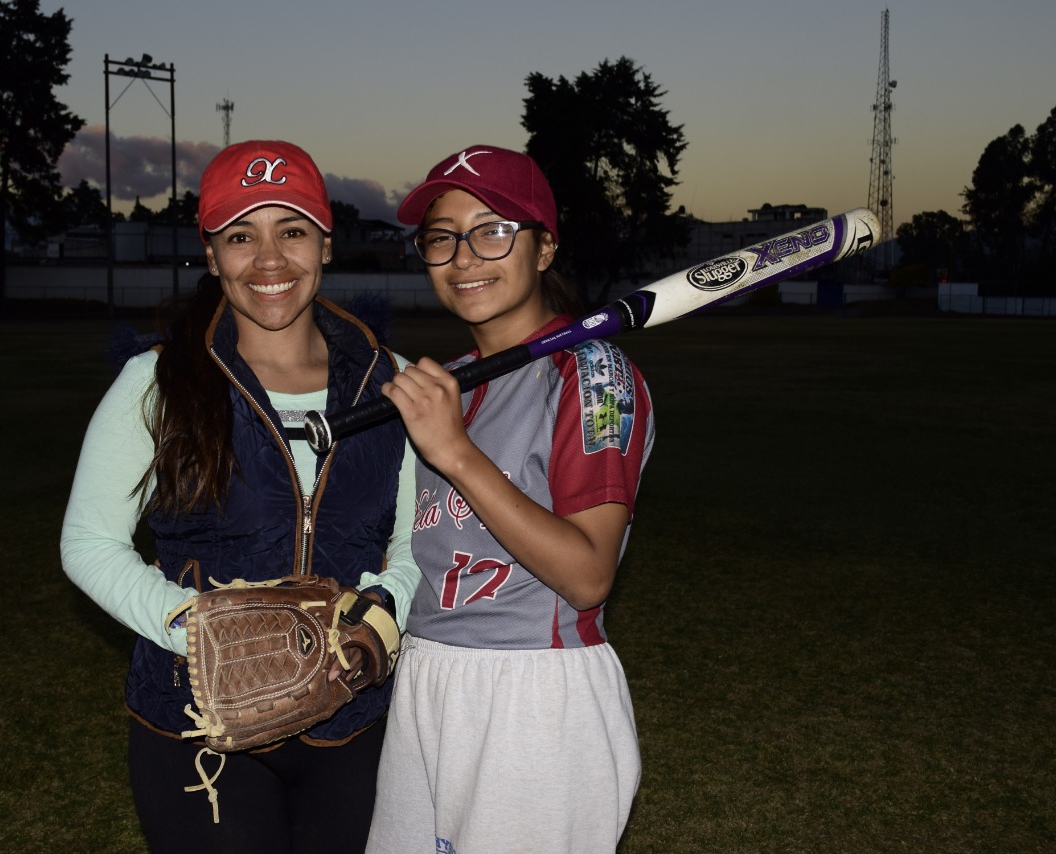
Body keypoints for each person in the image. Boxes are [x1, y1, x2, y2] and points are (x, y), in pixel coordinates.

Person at [60, 140, 421, 853]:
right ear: (211, 252)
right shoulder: (156, 382)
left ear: (324, 241)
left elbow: (414, 543)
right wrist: (200, 633)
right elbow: (89, 542)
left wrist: (382, 614)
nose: (269, 260)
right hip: (196, 721)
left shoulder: (393, 383)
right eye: (240, 236)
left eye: (291, 231)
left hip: (351, 720)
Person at [365, 145, 654, 854]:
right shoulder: (451, 380)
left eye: (493, 229)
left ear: (545, 247)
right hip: (429, 675)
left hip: (531, 693)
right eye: (442, 236)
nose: (464, 257)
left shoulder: (594, 378)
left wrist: (456, 451)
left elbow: (588, 575)